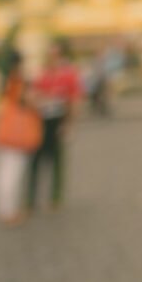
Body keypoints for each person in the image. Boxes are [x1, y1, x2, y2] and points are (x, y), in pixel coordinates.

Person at [27, 37, 81, 212]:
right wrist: (39, 99)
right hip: (40, 118)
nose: (52, 57)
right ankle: (30, 198)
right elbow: (32, 93)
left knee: (57, 160)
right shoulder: (41, 72)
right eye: (50, 53)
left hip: (58, 118)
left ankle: (55, 198)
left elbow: (74, 100)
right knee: (35, 160)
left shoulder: (69, 73)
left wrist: (69, 123)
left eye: (56, 53)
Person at [0, 54, 40, 227]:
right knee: (11, 174)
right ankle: (8, 211)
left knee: (5, 172)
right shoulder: (17, 81)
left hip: (6, 132)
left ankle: (6, 209)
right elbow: (30, 101)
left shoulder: (3, 81)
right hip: (16, 135)